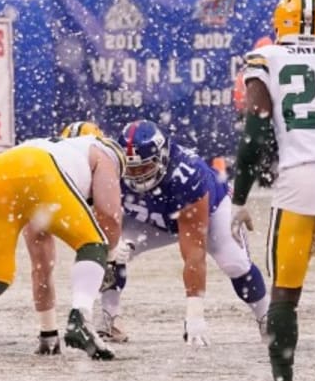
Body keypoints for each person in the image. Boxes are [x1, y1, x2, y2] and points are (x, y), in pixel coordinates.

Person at [0, 128, 125, 361]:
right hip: (40, 170)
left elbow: (42, 265)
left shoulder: (53, 149)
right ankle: (82, 319)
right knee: (93, 243)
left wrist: (48, 334)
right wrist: (110, 256)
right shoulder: (104, 152)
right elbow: (109, 216)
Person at [231, 0, 315, 381]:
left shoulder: (267, 58)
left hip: (300, 180)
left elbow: (255, 135)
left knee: (285, 296)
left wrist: (239, 196)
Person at [99, 119, 268, 345]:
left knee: (234, 263)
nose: (138, 176)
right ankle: (110, 317)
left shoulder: (187, 174)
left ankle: (268, 317)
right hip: (152, 219)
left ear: (163, 156)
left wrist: (194, 314)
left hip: (209, 212)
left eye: (144, 167)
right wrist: (114, 244)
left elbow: (194, 253)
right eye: (132, 169)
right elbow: (104, 216)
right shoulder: (110, 167)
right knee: (105, 248)